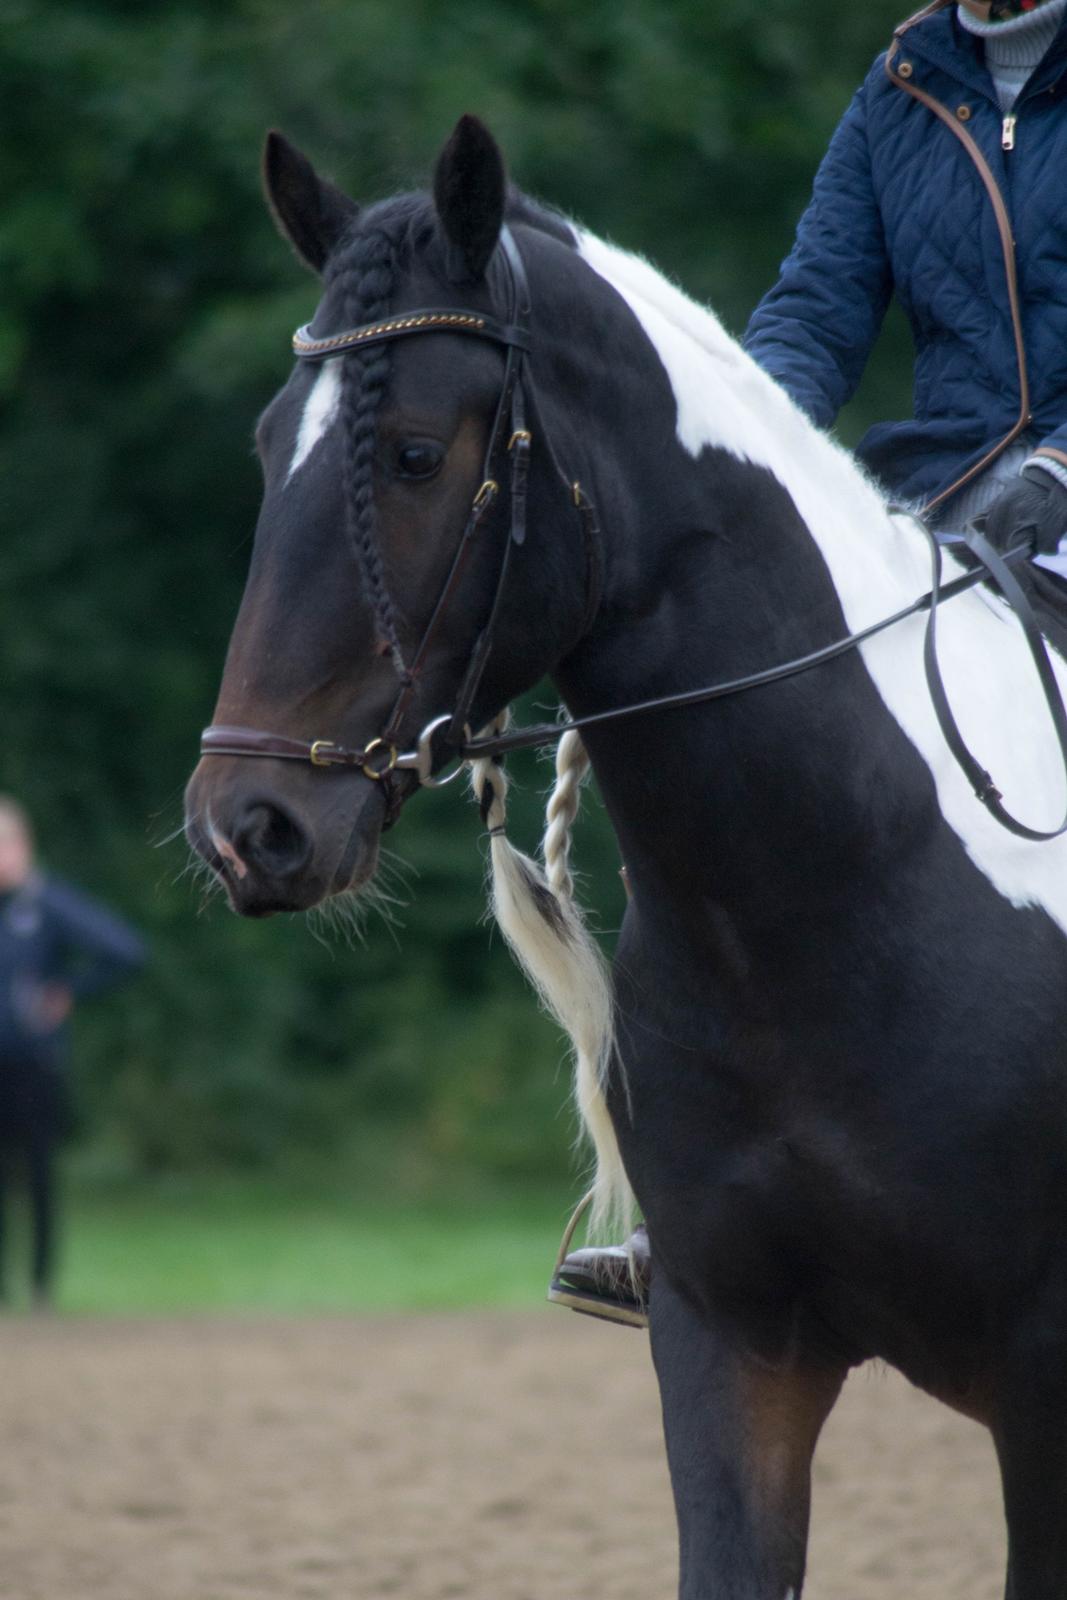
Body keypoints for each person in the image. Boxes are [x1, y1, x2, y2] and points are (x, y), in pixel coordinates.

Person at [549, 0, 1067, 1328]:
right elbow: (813, 316)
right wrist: (736, 470)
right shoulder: (901, 85)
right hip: (937, 507)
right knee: (734, 745)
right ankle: (706, 1203)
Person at [0, 798, 145, 1308]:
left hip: (33, 1065)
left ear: (22, 846)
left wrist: (68, 992)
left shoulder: (47, 904)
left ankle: (41, 1287)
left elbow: (125, 951)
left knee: (37, 1175)